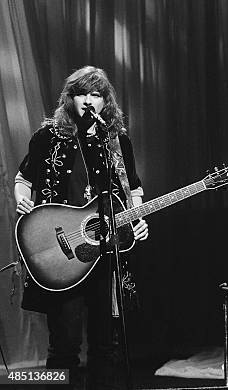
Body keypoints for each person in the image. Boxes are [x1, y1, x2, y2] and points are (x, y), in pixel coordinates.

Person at [14, 66, 148, 389]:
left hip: (105, 251)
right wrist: (22, 200)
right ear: (70, 98)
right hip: (64, 256)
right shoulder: (47, 137)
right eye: (83, 93)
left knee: (105, 346)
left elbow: (134, 191)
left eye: (97, 94)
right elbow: (23, 178)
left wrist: (138, 218)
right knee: (64, 346)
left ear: (106, 102)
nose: (89, 100)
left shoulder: (116, 142)